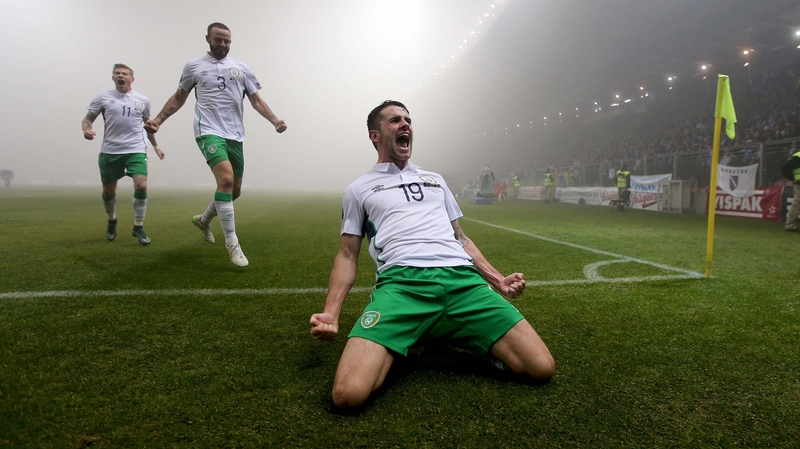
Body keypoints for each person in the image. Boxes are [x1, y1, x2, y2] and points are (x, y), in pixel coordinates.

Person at [309, 101, 555, 409]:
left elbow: (460, 236)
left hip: (463, 283)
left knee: (541, 368)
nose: (405, 125)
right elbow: (347, 255)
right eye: (394, 120)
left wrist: (497, 280)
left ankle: (447, 331)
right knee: (348, 395)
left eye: (408, 120)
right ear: (375, 135)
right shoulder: (359, 189)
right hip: (402, 287)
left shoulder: (436, 180)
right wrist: (331, 313)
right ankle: (406, 339)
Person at [144, 22, 287, 267]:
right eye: (218, 39)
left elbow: (256, 100)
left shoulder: (241, 68)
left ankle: (203, 220)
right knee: (226, 181)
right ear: (208, 39)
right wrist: (158, 120)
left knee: (234, 191)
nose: (223, 44)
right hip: (208, 130)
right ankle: (232, 244)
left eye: (227, 41)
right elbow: (179, 98)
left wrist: (275, 121)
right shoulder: (194, 66)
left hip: (235, 135)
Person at [82, 63, 164, 245]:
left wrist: (156, 146)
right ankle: (112, 220)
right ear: (113, 77)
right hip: (110, 151)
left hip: (135, 149)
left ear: (131, 79)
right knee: (108, 190)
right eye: (117, 73)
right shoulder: (103, 98)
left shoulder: (142, 100)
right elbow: (87, 119)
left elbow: (148, 125)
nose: (121, 76)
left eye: (125, 74)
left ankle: (138, 226)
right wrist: (86, 130)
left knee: (141, 185)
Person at [781, 150, 800, 232]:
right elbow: (785, 167)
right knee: (797, 203)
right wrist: (792, 179)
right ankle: (790, 225)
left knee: (797, 203)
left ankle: (790, 224)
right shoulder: (798, 156)